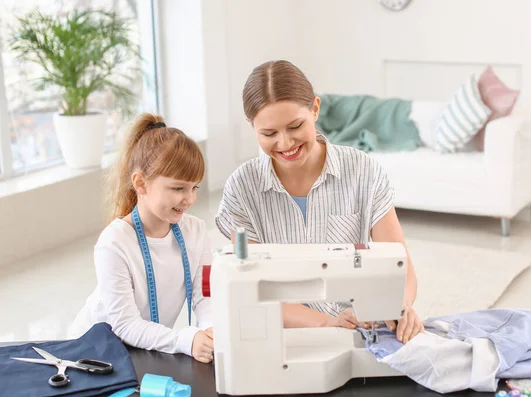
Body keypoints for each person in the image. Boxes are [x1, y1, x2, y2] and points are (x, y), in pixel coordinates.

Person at [215, 60, 424, 343]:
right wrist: (326, 322)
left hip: (359, 326)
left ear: (315, 108)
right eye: (269, 134)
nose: (285, 143)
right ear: (252, 126)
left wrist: (399, 307)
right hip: (283, 333)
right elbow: (251, 289)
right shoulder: (242, 188)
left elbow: (399, 263)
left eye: (295, 126)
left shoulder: (363, 171)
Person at [69, 113, 214, 363]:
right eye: (178, 188)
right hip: (93, 353)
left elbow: (206, 294)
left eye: (194, 188)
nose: (189, 199)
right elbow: (125, 325)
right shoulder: (114, 243)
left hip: (141, 350)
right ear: (141, 183)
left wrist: (211, 330)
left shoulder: (197, 232)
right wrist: (186, 340)